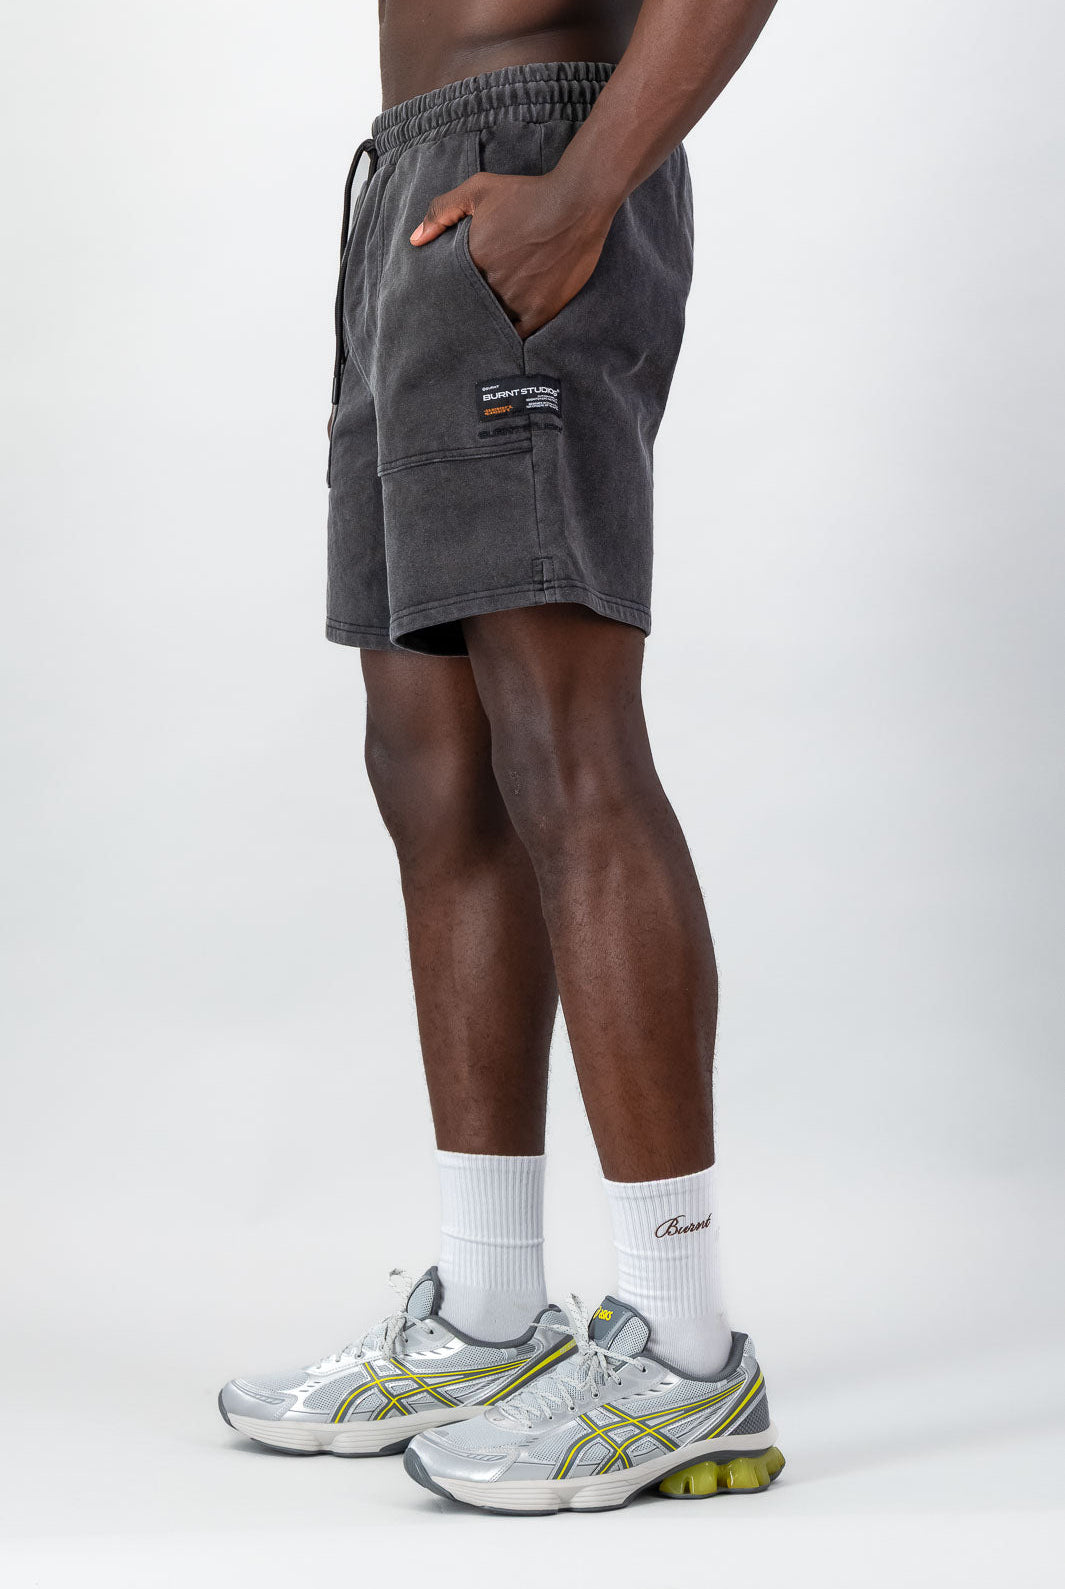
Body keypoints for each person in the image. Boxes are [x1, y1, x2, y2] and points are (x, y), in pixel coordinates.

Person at [220, 0, 785, 1514]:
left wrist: (583, 189)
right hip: (411, 188)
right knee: (430, 766)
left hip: (534, 155)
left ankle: (683, 1345)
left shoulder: (559, 181)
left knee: (564, 751)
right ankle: (487, 1313)